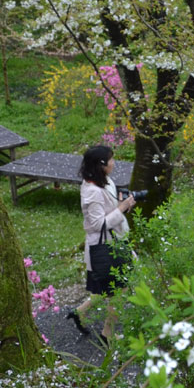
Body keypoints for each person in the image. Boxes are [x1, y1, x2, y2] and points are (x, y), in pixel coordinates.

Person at [66, 145, 135, 345]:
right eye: (111, 159)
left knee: (107, 288)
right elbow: (97, 225)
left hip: (116, 241)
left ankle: (79, 312)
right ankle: (107, 333)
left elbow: (110, 209)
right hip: (106, 247)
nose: (114, 163)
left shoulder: (105, 181)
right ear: (101, 164)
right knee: (119, 290)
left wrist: (122, 204)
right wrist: (121, 208)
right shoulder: (92, 191)